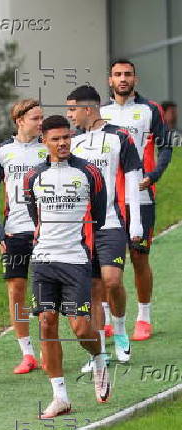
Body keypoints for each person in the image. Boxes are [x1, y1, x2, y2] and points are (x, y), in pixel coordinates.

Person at [24, 115, 110, 418]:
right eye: (55, 139)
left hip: (75, 260)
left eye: (66, 137)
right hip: (44, 260)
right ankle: (60, 396)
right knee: (46, 321)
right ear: (43, 140)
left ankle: (99, 360)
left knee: (80, 327)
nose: (62, 143)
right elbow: (34, 214)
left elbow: (98, 216)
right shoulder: (33, 176)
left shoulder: (89, 173)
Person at [66, 85, 142, 368]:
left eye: (72, 109)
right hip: (81, 229)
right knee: (94, 289)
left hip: (110, 222)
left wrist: (135, 221)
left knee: (113, 281)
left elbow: (133, 175)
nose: (69, 115)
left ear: (88, 109)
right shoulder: (71, 142)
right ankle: (99, 352)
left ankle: (121, 332)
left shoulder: (120, 136)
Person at [101, 59, 172, 341]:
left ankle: (144, 318)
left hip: (140, 198)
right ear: (110, 80)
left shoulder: (149, 109)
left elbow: (165, 146)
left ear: (135, 79)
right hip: (107, 201)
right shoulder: (100, 112)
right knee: (105, 261)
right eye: (117, 74)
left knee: (139, 257)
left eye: (127, 74)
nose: (122, 79)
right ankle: (106, 318)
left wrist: (153, 175)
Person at [0, 99, 47, 374]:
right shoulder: (2, 152)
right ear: (20, 120)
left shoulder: (47, 148)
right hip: (14, 231)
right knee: (16, 290)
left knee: (46, 290)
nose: (40, 122)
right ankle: (27, 353)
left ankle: (49, 350)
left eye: (41, 117)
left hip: (46, 231)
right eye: (35, 118)